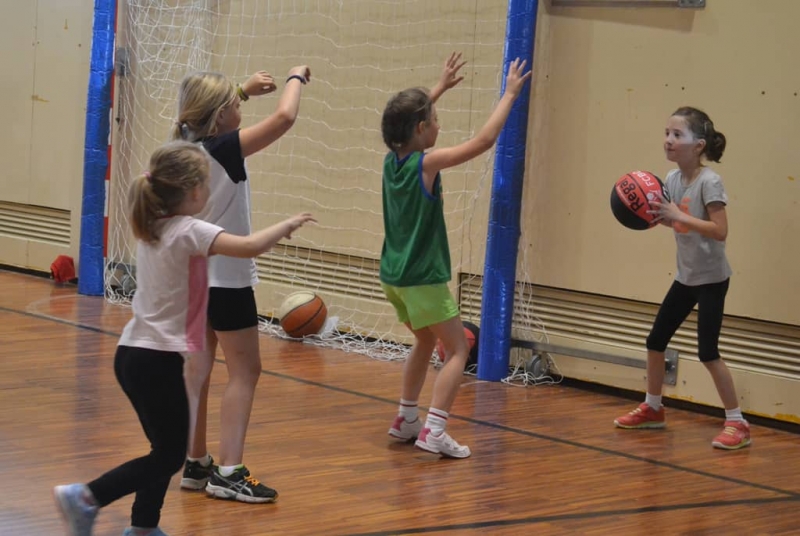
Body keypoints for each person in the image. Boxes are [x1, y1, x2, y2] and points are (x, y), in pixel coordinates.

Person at [53, 141, 315, 536]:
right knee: (167, 455)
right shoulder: (190, 230)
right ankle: (87, 497)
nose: (208, 192)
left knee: (163, 449)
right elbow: (248, 247)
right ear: (193, 192)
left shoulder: (152, 225)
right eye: (206, 185)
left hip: (132, 355)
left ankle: (143, 527)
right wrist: (287, 224)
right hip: (157, 361)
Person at [380, 52, 532, 458]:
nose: (439, 125)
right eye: (434, 121)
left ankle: (406, 418)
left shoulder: (391, 162)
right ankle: (434, 429)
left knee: (424, 342)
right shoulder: (426, 164)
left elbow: (408, 122)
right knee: (458, 349)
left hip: (393, 277)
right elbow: (483, 142)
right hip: (423, 277)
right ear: (420, 129)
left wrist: (440, 89)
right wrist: (510, 94)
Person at [172, 66, 310, 502]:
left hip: (191, 277)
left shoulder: (180, 144)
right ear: (220, 118)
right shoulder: (225, 148)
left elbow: (210, 109)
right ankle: (229, 471)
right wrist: (295, 78)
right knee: (245, 370)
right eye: (234, 105)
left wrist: (242, 91)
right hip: (227, 279)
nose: (240, 109)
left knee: (198, 370)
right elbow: (285, 119)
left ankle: (195, 463)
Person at [614, 106, 751, 450]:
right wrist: (653, 216)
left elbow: (720, 231)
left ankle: (737, 422)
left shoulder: (710, 181)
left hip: (712, 280)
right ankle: (653, 407)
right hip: (686, 277)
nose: (669, 141)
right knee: (655, 341)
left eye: (677, 135)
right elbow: (676, 221)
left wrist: (677, 214)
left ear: (699, 145)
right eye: (667, 134)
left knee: (708, 352)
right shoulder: (671, 180)